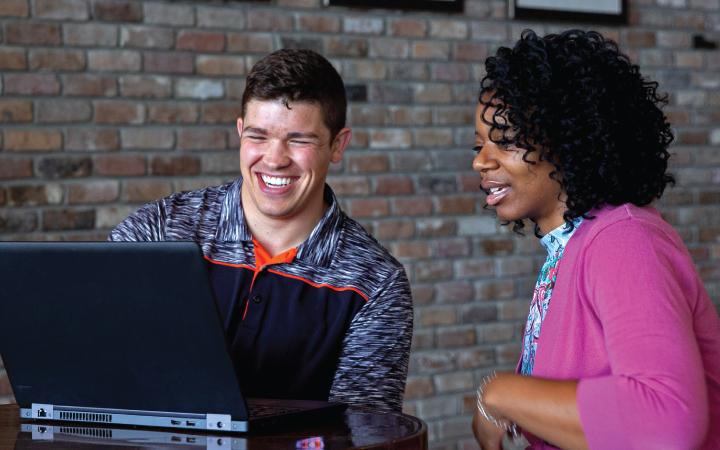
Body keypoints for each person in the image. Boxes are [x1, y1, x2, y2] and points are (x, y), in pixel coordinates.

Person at [109, 49, 413, 412]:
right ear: (240, 131)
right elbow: (96, 369)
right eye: (258, 136)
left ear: (337, 145)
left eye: (299, 140)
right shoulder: (156, 232)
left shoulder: (376, 284)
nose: (274, 159)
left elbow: (360, 434)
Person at [470, 30, 720, 449]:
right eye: (479, 144)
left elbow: (666, 421)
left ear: (568, 144)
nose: (480, 160)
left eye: (507, 142)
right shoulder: (571, 249)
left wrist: (501, 394)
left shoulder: (624, 239)